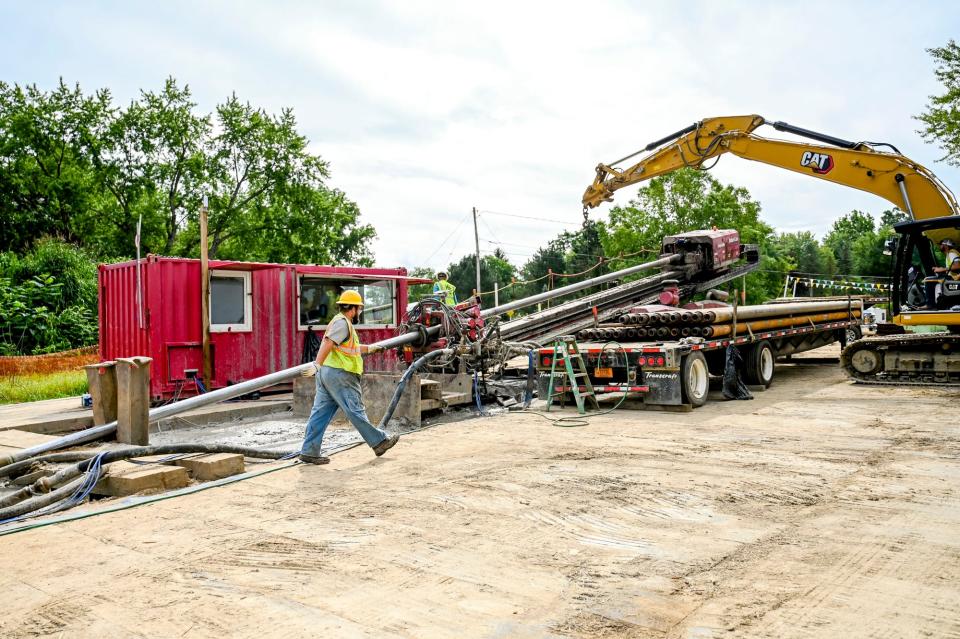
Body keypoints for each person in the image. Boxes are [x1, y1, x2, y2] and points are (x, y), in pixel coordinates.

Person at [299, 290, 399, 464]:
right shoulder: (343, 323)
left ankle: (309, 451)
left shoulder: (339, 322)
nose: (359, 312)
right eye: (359, 309)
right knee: (355, 410)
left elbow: (346, 347)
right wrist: (317, 363)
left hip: (328, 374)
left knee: (320, 413)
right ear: (352, 308)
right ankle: (379, 442)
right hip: (341, 375)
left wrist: (370, 348)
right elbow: (329, 342)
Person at [924, 238, 960, 309]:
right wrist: (940, 269)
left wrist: (942, 269)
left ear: (945, 245)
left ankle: (930, 304)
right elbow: (951, 267)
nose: (940, 246)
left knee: (928, 280)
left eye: (941, 245)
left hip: (954, 279)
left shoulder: (952, 253)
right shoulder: (949, 254)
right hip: (952, 278)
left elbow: (958, 266)